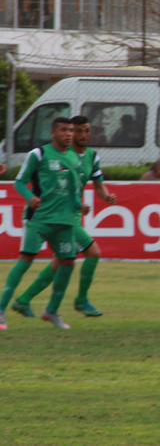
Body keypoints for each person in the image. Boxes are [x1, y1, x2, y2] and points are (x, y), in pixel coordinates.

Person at [10, 116, 118, 319]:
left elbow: (98, 185)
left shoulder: (92, 156)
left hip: (72, 215)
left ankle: (23, 300)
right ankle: (80, 300)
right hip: (59, 216)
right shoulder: (56, 155)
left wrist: (107, 196)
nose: (82, 135)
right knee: (93, 252)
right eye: (77, 131)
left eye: (87, 131)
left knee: (60, 261)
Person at [0, 118, 84, 330]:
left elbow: (73, 192)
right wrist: (30, 197)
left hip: (64, 222)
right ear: (53, 132)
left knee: (68, 263)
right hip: (39, 219)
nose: (69, 134)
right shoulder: (39, 154)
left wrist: (78, 205)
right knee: (26, 259)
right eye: (64, 130)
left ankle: (52, 311)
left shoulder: (75, 158)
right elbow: (20, 182)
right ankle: (0, 311)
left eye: (71, 131)